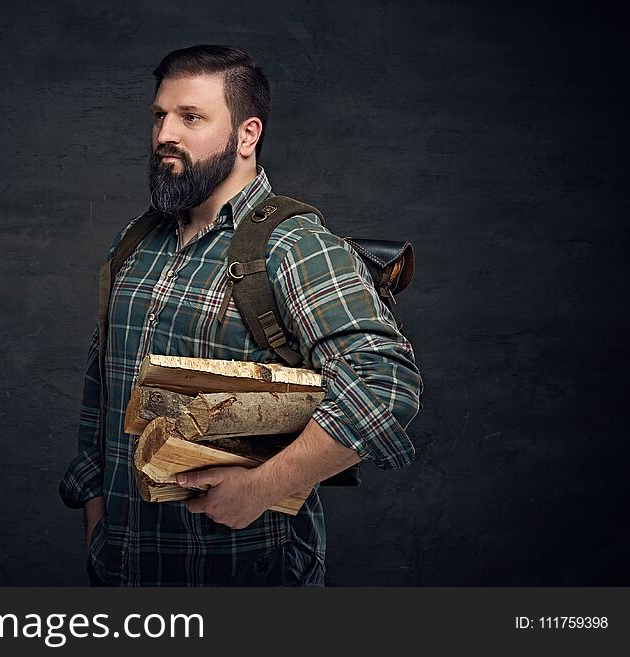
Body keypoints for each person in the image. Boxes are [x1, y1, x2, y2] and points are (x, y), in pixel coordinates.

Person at [59, 44, 422, 586]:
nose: (165, 135)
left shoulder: (294, 246)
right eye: (160, 115)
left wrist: (262, 486)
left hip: (247, 578)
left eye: (191, 117)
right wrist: (97, 531)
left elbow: (384, 386)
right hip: (123, 575)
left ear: (247, 135)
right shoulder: (136, 242)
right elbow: (102, 390)